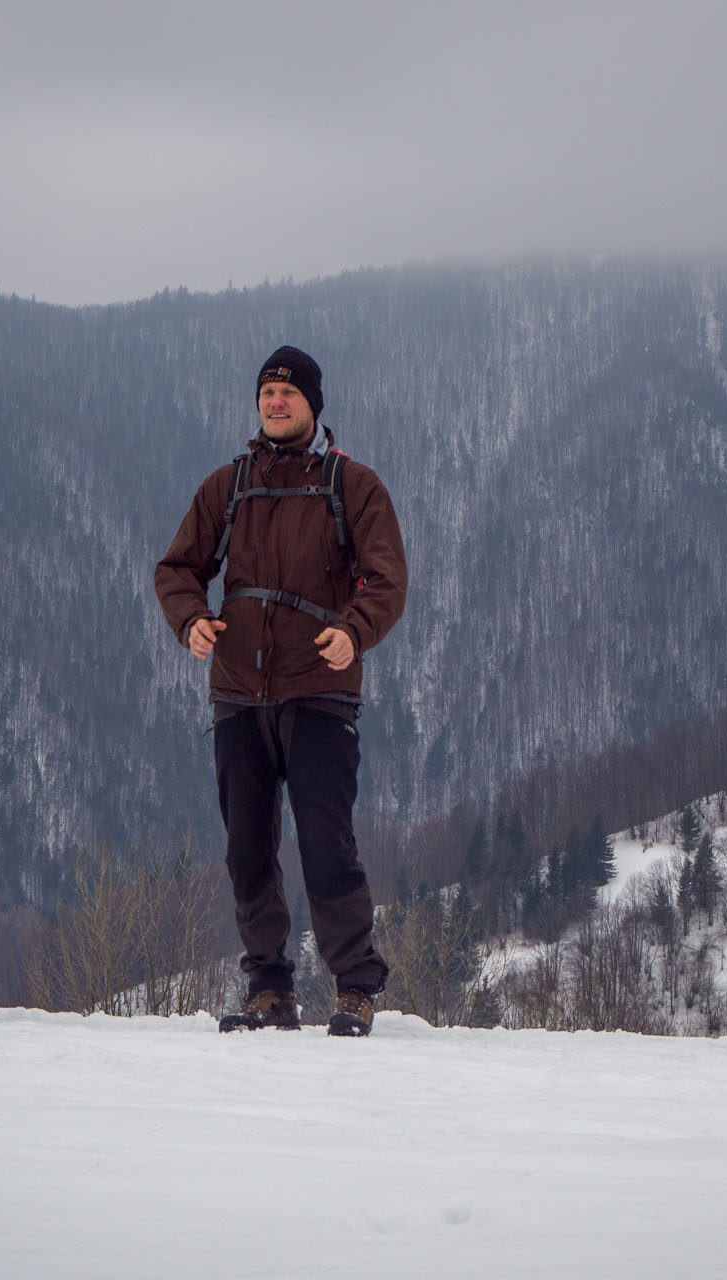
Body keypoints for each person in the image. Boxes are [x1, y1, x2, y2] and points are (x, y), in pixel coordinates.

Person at [154, 346, 408, 1036]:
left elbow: (387, 579)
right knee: (247, 846)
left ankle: (354, 985)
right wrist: (191, 620)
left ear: (313, 405)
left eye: (287, 393)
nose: (274, 402)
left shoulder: (352, 485)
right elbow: (178, 568)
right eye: (266, 391)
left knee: (325, 840)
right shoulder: (228, 486)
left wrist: (354, 632)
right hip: (238, 689)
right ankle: (269, 986)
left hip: (320, 688)